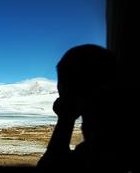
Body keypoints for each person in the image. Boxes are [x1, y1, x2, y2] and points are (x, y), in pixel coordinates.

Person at [37, 44, 135, 173]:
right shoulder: (101, 143)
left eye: (64, 84)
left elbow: (51, 167)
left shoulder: (106, 147)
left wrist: (65, 119)